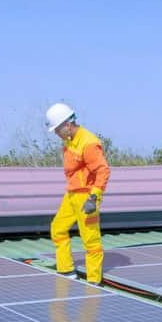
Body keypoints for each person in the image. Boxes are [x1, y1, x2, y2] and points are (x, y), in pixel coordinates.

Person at [46, 102, 111, 285]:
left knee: (90, 241)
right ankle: (66, 270)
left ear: (67, 125)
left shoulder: (88, 142)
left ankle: (93, 282)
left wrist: (94, 197)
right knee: (57, 229)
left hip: (87, 197)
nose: (57, 134)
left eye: (57, 129)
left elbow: (103, 171)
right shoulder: (68, 141)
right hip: (72, 194)